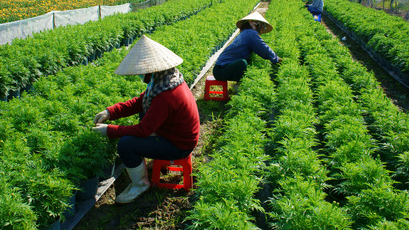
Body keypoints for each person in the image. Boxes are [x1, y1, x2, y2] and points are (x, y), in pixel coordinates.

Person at [92, 35, 200, 204]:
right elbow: (140, 102)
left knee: (126, 144)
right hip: (175, 134)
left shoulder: (165, 94)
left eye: (142, 70)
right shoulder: (167, 80)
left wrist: (109, 130)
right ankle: (153, 162)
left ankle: (140, 184)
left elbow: (143, 130)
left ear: (151, 70)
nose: (140, 74)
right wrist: (110, 112)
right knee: (144, 112)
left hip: (180, 145)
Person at [213, 11, 281, 82]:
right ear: (254, 24)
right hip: (220, 71)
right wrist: (276, 59)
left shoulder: (245, 33)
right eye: (261, 26)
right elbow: (264, 49)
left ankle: (239, 84)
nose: (261, 29)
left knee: (245, 62)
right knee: (242, 63)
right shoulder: (251, 33)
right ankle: (238, 86)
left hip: (221, 68)